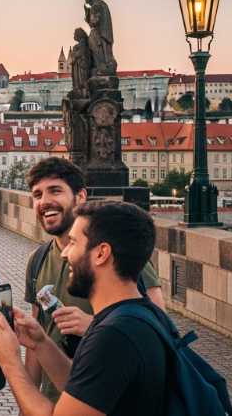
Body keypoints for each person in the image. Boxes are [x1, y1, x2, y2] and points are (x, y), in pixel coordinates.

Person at [0, 200, 166, 416]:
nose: (64, 254)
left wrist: (10, 362)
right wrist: (40, 343)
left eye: (73, 243)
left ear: (101, 253)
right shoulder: (137, 315)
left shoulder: (114, 336)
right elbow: (85, 391)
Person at [22, 157, 165, 403]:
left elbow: (159, 331)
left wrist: (94, 327)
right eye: (37, 194)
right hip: (55, 398)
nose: (45, 201)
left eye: (55, 191)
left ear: (80, 196)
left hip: (109, 398)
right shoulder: (37, 260)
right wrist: (29, 400)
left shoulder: (117, 254)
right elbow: (37, 336)